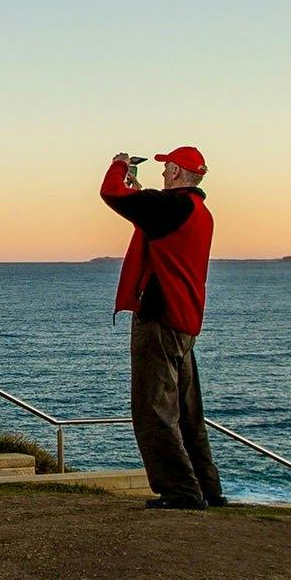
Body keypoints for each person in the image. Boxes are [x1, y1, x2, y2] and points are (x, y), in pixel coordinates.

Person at [101, 150, 223, 510]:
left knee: (152, 407)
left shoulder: (170, 207)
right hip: (185, 321)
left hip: (159, 318)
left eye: (167, 168)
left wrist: (120, 165)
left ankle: (180, 490)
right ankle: (206, 487)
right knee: (187, 411)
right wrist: (140, 195)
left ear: (176, 172)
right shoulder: (199, 212)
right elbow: (160, 230)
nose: (164, 173)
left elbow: (110, 192)